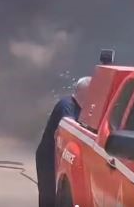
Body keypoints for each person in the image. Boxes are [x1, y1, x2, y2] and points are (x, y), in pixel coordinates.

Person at [35, 76, 91, 207]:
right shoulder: (66, 106)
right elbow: (71, 131)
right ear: (84, 92)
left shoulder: (81, 108)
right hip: (48, 157)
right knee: (49, 196)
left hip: (59, 156)